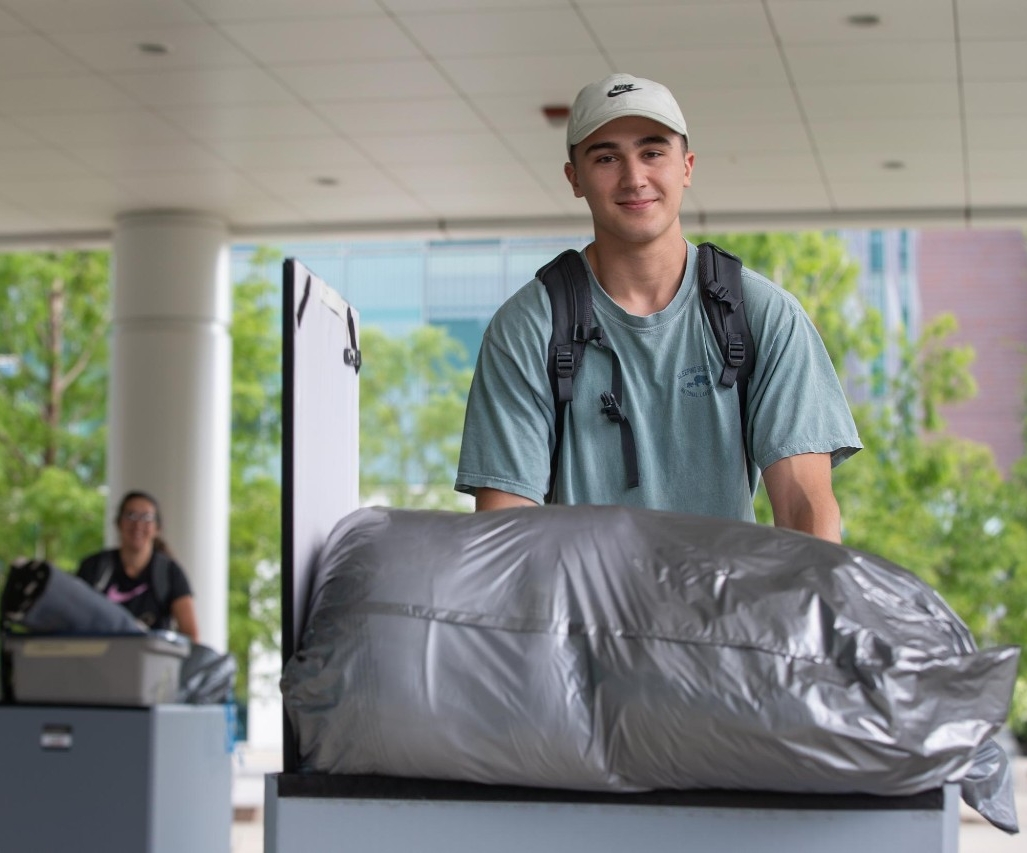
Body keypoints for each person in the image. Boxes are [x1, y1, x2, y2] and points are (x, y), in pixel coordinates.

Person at [455, 73, 861, 542]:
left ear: (686, 166)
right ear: (575, 179)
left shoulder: (761, 314)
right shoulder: (529, 327)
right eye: (606, 157)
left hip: (724, 610)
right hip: (585, 612)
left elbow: (802, 504)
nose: (634, 178)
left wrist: (811, 609)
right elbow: (505, 529)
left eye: (652, 153)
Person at [77, 490, 199, 641]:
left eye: (147, 518)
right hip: (99, 659)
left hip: (151, 661)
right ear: (119, 523)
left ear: (157, 528)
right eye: (130, 515)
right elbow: (74, 617)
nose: (138, 524)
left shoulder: (169, 573)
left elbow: (190, 634)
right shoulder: (94, 567)